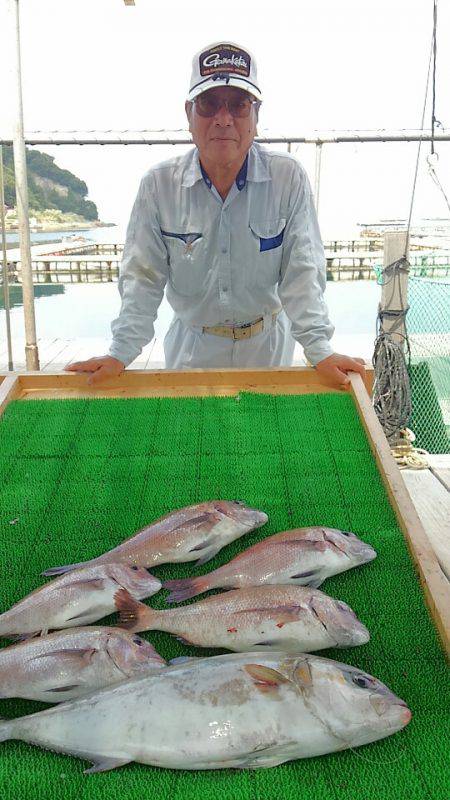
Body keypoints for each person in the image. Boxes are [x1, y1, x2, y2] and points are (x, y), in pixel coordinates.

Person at [66, 42, 365, 387]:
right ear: (188, 114)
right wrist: (120, 352)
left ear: (256, 116)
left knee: (264, 439)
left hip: (268, 346)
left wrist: (319, 349)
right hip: (191, 346)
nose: (224, 119)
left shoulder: (288, 178)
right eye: (208, 104)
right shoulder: (157, 185)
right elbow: (142, 277)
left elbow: (303, 272)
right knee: (193, 439)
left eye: (239, 104)